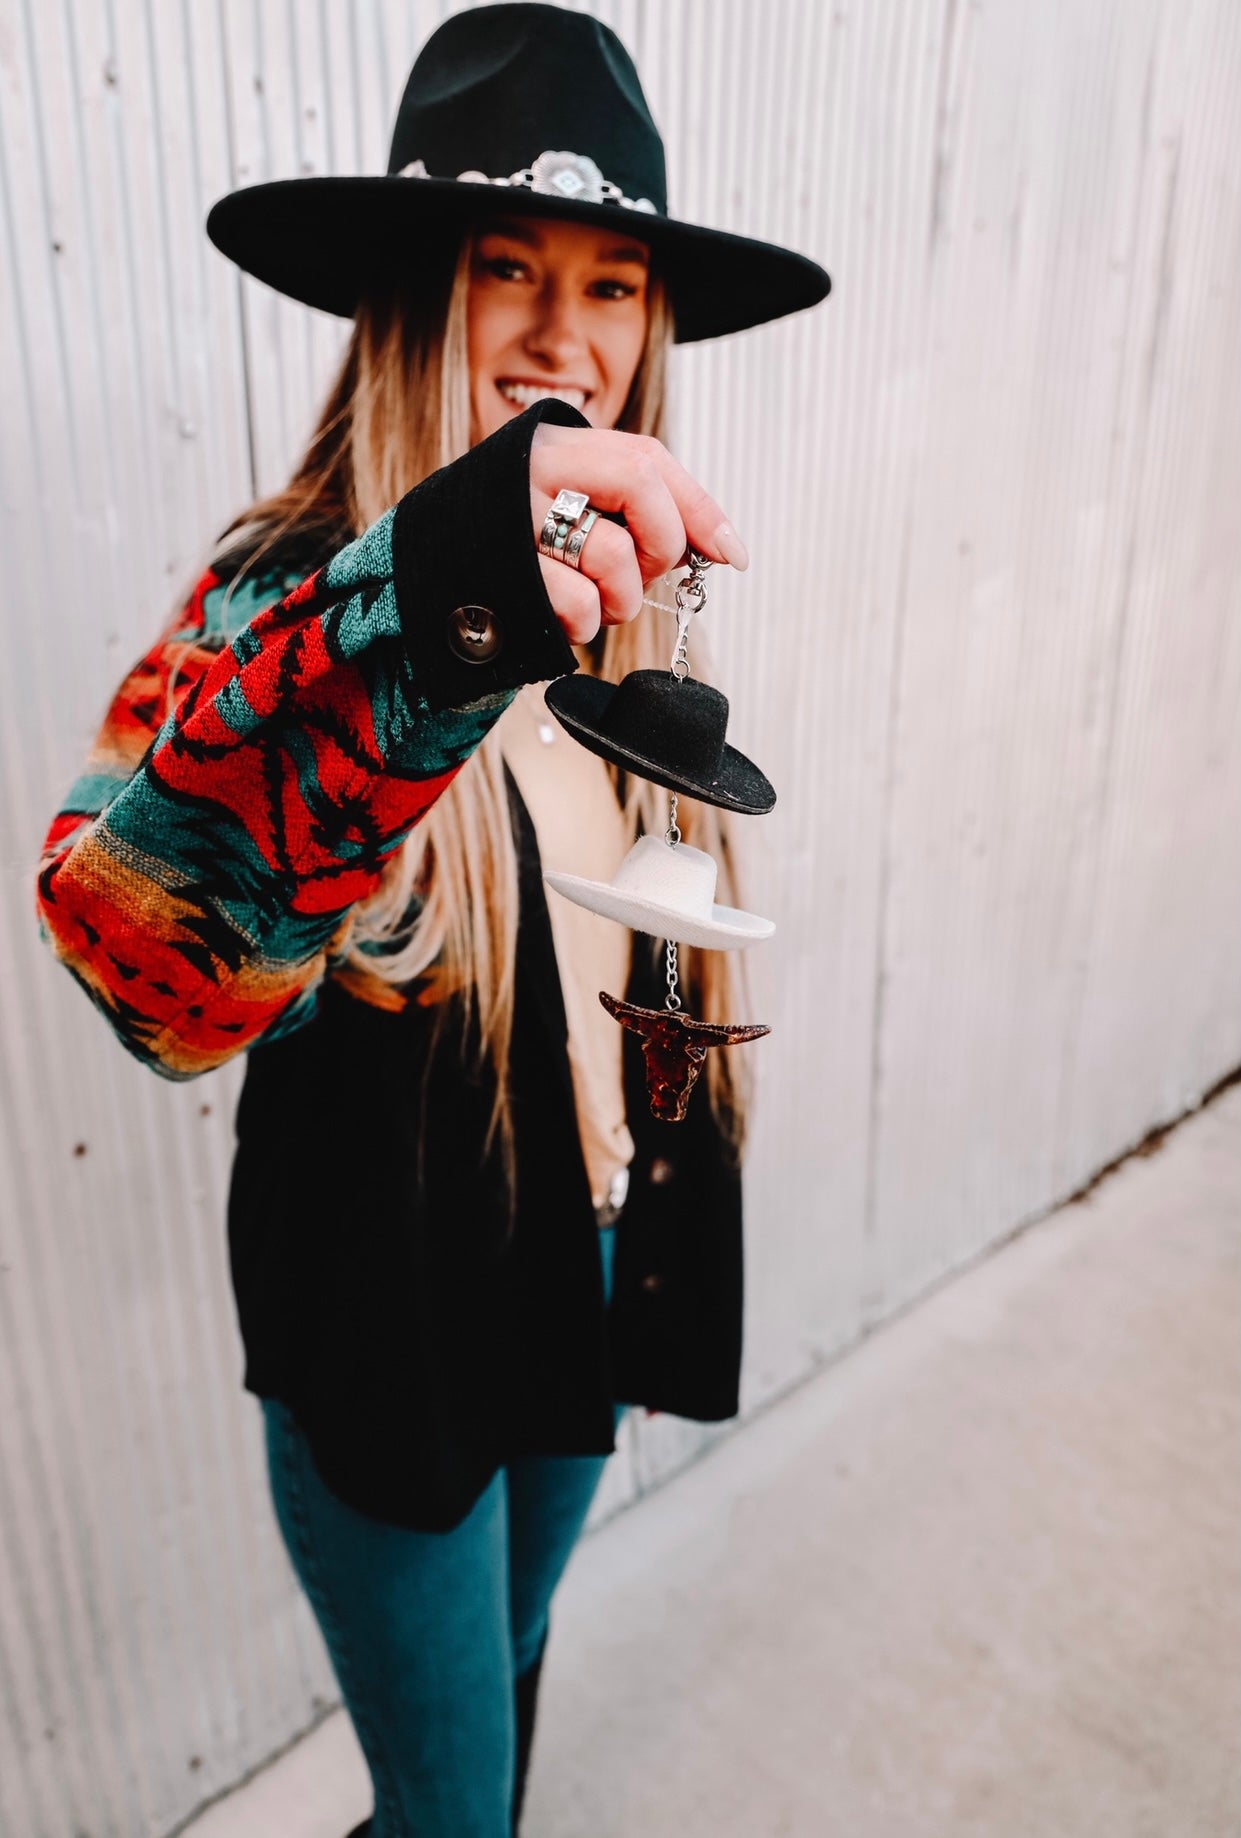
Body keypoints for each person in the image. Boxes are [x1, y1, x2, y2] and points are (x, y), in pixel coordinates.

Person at [34, 6, 829, 1834]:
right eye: (505, 269)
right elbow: (132, 950)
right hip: (386, 1351)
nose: (567, 331)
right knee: (452, 1811)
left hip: (581, 1286)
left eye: (614, 283)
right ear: (417, 299)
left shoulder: (631, 614)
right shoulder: (285, 605)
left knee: (506, 1708)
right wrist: (444, 600)